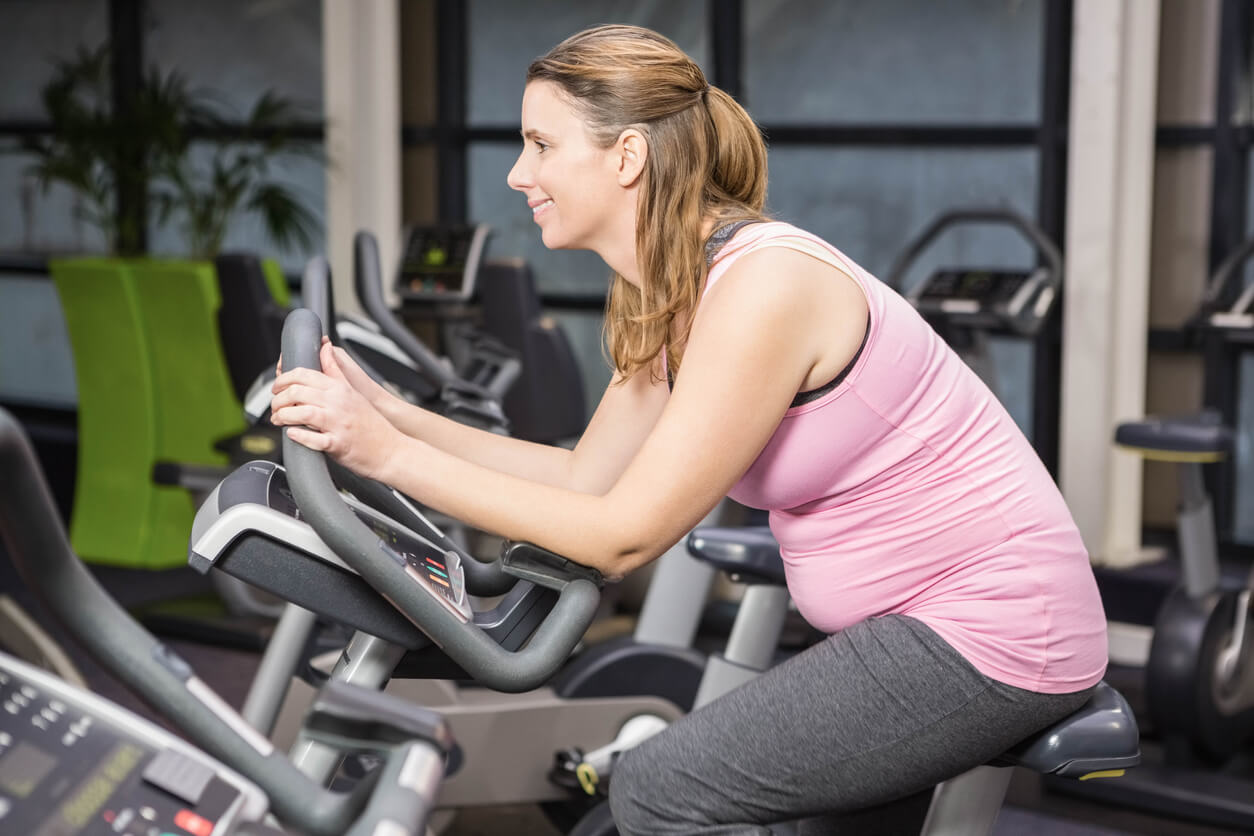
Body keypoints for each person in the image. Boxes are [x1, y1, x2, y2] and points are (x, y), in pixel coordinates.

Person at [270, 23, 1108, 836]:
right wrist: (387, 414)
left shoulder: (762, 286)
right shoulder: (672, 289)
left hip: (990, 630)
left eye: (542, 145)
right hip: (906, 631)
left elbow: (622, 537)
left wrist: (386, 455)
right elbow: (583, 478)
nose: (519, 174)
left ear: (627, 156)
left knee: (659, 790)